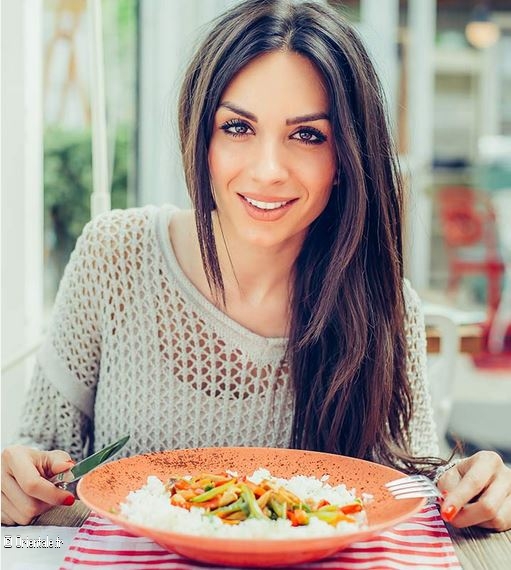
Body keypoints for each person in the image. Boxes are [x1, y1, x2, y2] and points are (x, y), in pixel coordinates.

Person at [2, 0, 510, 531]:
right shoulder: (116, 255)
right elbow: (42, 458)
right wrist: (18, 482)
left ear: (346, 159)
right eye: (238, 127)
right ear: (201, 138)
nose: (268, 170)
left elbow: (412, 496)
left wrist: (477, 489)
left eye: (308, 135)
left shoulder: (382, 303)